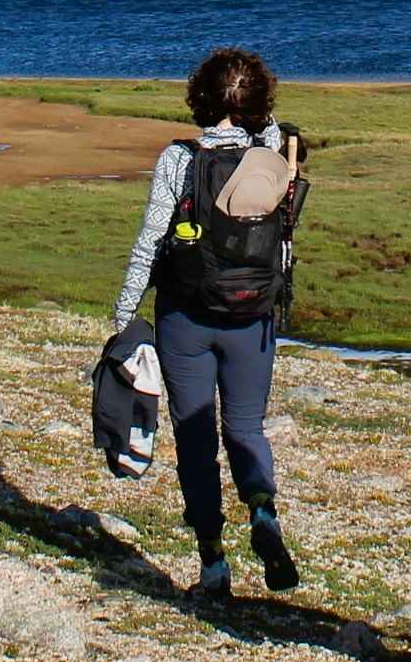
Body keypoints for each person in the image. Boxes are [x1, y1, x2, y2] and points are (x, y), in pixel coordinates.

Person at [113, 46, 303, 600]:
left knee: (196, 437)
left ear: (199, 97)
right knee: (246, 428)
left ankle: (213, 563)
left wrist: (124, 315)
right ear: (260, 101)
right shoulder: (273, 154)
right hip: (253, 316)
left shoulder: (179, 160)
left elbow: (150, 241)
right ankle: (263, 513)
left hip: (185, 317)